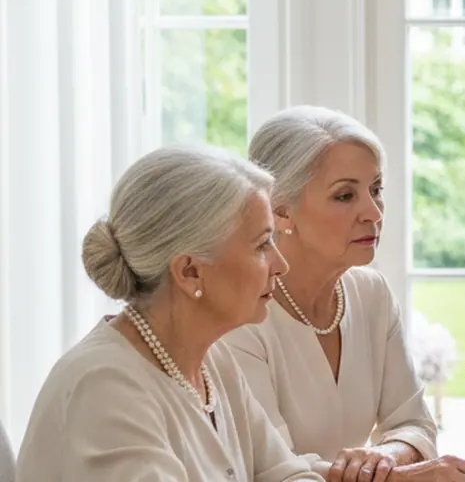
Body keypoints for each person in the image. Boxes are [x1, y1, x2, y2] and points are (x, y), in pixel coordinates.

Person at [16, 145, 321, 481]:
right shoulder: (106, 387)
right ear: (190, 272)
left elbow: (287, 474)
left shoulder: (212, 361)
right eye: (262, 245)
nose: (281, 264)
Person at [225, 106, 465, 482]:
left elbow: (414, 424)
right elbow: (271, 469)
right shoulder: (241, 316)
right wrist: (397, 476)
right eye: (345, 195)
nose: (374, 212)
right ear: (280, 212)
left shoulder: (371, 293)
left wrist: (382, 456)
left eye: (376, 189)